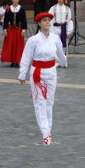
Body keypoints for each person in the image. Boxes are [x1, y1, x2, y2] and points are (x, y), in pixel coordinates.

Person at [18, 12, 67, 147]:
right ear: (39, 24)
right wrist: (22, 73)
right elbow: (26, 57)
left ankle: (48, 132)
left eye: (49, 20)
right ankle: (45, 133)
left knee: (49, 102)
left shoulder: (55, 38)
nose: (47, 22)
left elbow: (60, 52)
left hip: (51, 72)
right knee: (40, 102)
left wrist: (64, 61)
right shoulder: (33, 40)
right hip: (37, 73)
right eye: (44, 20)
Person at [0, 0, 27, 67]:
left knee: (18, 45)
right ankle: (12, 61)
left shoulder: (22, 9)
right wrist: (5, 30)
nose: (15, 0)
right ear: (12, 0)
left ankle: (17, 61)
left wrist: (23, 30)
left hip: (18, 29)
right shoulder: (8, 8)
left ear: (18, 0)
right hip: (10, 29)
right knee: (11, 44)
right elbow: (5, 20)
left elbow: (24, 20)